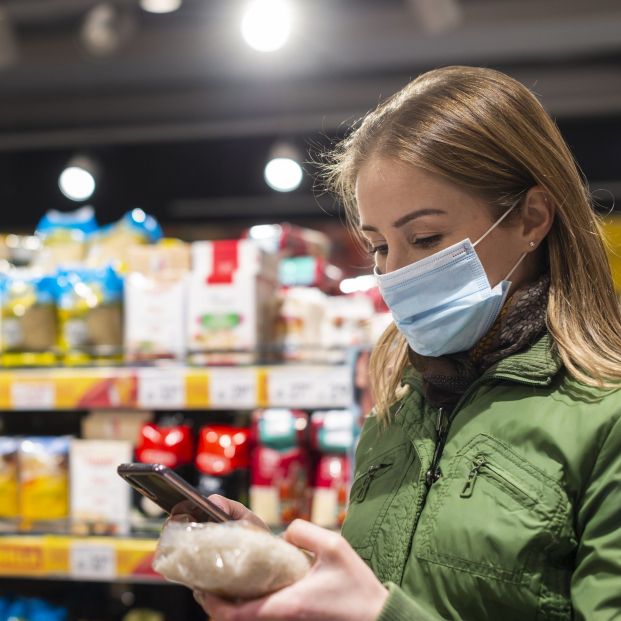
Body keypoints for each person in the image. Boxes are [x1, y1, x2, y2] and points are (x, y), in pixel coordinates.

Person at [190, 66, 621, 620]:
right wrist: (280, 572)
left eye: (425, 238)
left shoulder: (605, 415)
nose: (395, 273)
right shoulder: (398, 408)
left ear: (531, 218)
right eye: (378, 247)